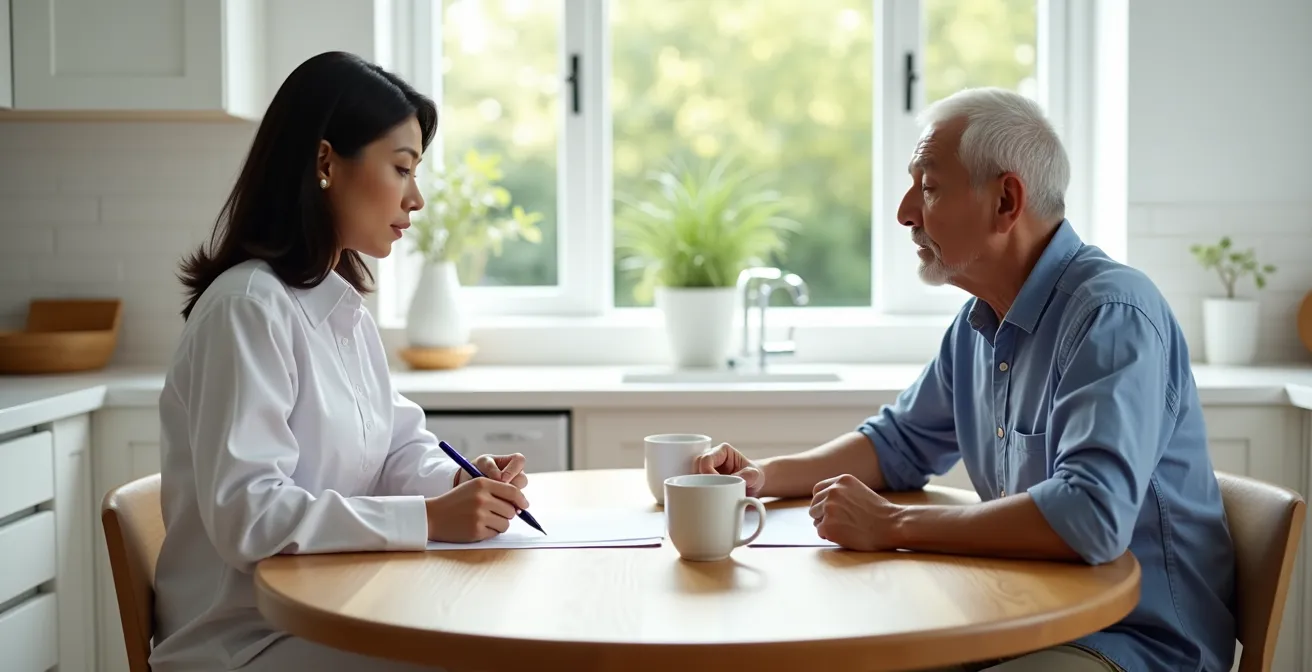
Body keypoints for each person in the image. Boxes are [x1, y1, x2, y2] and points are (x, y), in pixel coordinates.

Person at [696, 87, 1237, 672]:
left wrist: (893, 525)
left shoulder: (1111, 315)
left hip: (1132, 643)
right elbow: (897, 443)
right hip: (1017, 618)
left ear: (1006, 201)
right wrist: (765, 475)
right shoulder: (977, 324)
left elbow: (1090, 517)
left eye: (928, 187)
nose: (905, 212)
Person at [150, 52, 528, 672]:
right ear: (326, 162)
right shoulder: (248, 309)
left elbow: (395, 445)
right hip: (249, 643)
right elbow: (250, 514)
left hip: (339, 607)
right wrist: (429, 519)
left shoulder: (336, 307)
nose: (418, 198)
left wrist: (458, 484)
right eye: (402, 168)